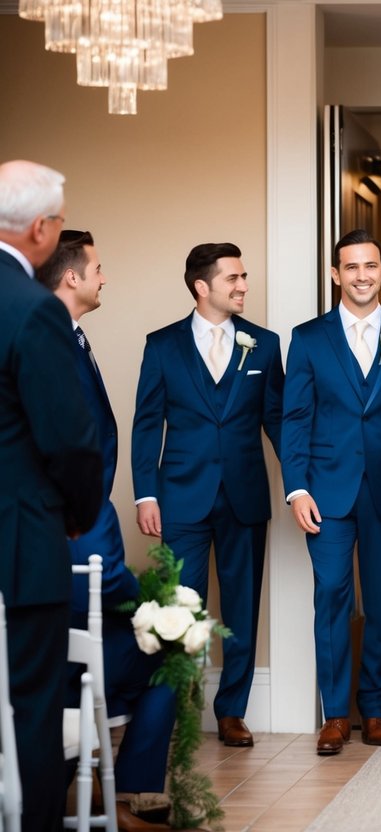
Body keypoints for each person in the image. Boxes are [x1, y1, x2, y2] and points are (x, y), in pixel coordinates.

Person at [282, 229, 381, 755]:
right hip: (326, 491)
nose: (361, 276)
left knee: (380, 602)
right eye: (351, 267)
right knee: (331, 595)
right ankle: (335, 714)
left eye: (370, 266)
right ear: (336, 275)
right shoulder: (307, 338)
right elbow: (296, 418)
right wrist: (296, 487)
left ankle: (374, 708)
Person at [37, 231, 176, 830]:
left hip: (51, 607)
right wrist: (149, 607)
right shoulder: (50, 349)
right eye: (97, 268)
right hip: (71, 591)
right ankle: (136, 796)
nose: (103, 277)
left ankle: (67, 773)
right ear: (71, 277)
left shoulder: (61, 339)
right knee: (174, 648)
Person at [131, 243, 283, 748]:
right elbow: (147, 424)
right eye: (233, 278)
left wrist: (307, 479)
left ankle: (232, 711)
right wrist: (145, 495)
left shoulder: (264, 345)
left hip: (244, 495)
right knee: (178, 609)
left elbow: (278, 422)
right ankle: (172, 713)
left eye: (244, 277)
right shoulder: (162, 345)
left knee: (241, 607)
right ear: (202, 286)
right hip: (180, 497)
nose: (243, 286)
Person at [0, 160, 103, 831]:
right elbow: (68, 441)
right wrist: (76, 514)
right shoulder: (33, 310)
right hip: (21, 537)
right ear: (41, 230)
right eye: (60, 221)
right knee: (33, 701)